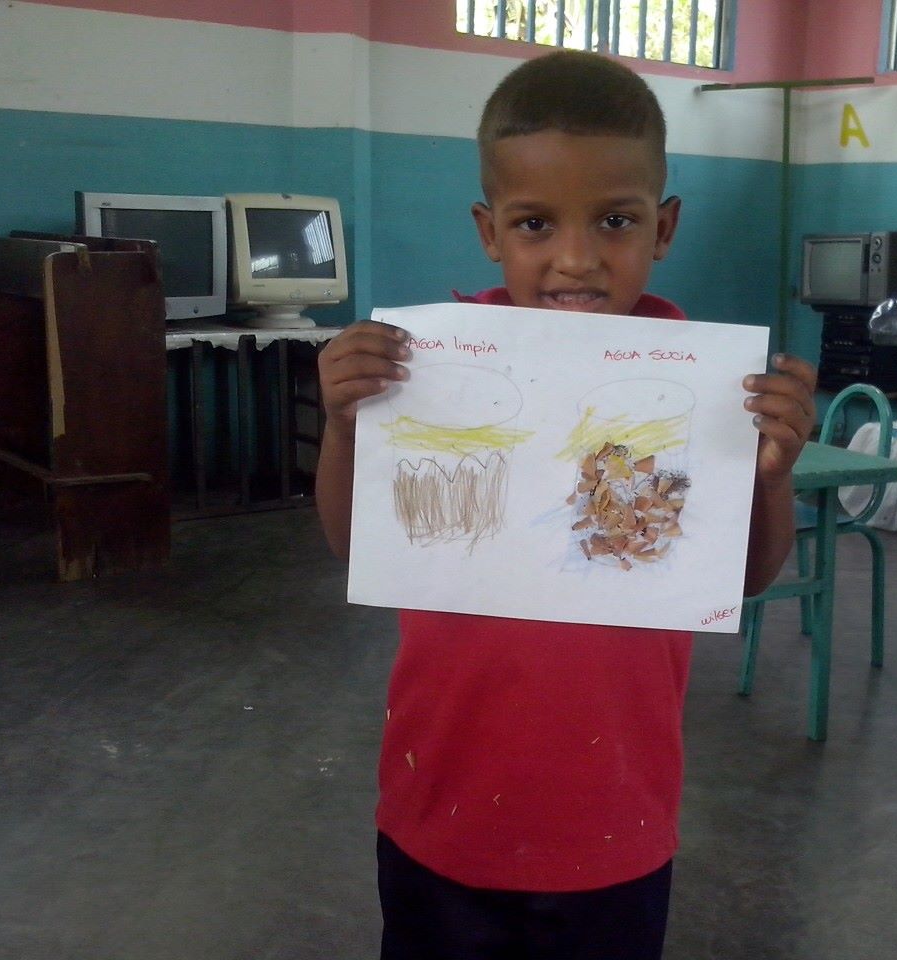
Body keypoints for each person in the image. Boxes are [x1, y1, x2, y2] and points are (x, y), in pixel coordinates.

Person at [315, 50, 817, 960]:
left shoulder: (705, 389)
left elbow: (743, 578)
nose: (576, 259)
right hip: (443, 808)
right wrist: (347, 427)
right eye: (535, 223)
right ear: (489, 230)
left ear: (664, 227)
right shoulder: (426, 372)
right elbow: (361, 549)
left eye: (616, 220)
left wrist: (772, 475)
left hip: (613, 820)